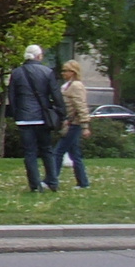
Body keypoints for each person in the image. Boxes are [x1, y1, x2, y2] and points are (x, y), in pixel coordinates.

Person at [8, 43, 64, 193]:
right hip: (42, 117)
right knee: (47, 150)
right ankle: (52, 181)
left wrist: (17, 114)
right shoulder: (47, 72)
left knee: (29, 152)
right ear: (39, 56)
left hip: (24, 118)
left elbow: (12, 97)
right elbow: (56, 95)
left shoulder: (17, 73)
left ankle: (35, 185)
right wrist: (61, 113)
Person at [52, 60, 92, 189]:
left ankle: (51, 180)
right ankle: (83, 182)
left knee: (57, 152)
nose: (63, 73)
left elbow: (81, 106)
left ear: (73, 72)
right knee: (75, 154)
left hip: (74, 124)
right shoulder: (68, 86)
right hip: (70, 123)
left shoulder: (76, 86)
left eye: (65, 71)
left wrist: (85, 126)